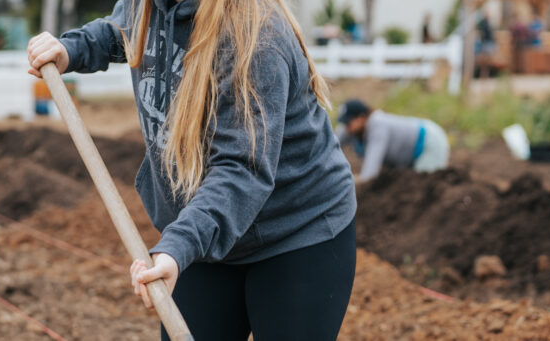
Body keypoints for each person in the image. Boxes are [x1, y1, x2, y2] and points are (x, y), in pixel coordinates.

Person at [26, 0, 357, 339]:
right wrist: (71, 48)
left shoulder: (257, 35)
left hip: (295, 230)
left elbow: (242, 168)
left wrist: (178, 245)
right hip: (206, 226)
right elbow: (122, 28)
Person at [335, 99, 449, 181]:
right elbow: (332, 143)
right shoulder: (351, 129)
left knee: (423, 184)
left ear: (361, 118)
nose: (346, 127)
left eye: (348, 122)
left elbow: (370, 174)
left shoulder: (378, 126)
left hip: (429, 141)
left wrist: (351, 183)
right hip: (409, 153)